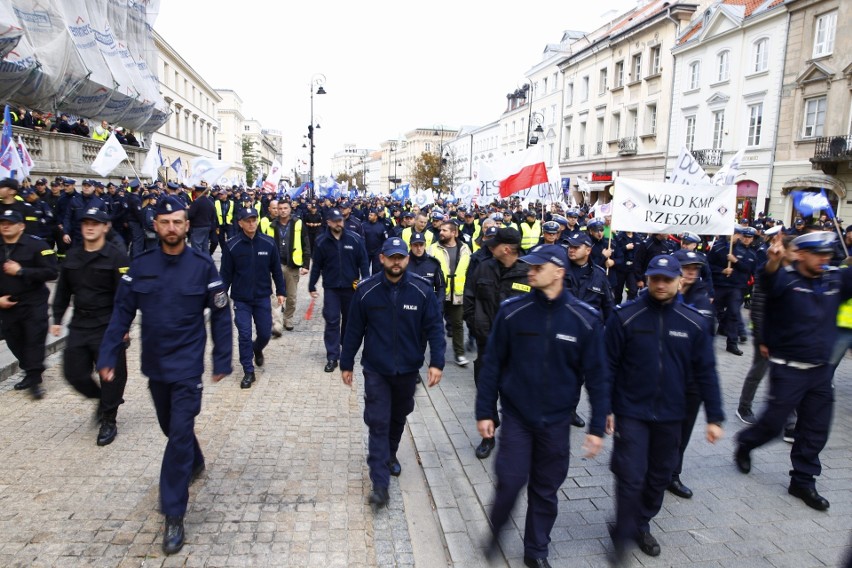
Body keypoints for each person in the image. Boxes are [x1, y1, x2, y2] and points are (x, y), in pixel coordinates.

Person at [97, 195, 233, 555]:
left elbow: (221, 314)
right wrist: (108, 354)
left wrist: (222, 358)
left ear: (187, 225)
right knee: (172, 429)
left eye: (178, 222)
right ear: (154, 225)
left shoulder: (203, 267)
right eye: (164, 222)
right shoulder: (140, 266)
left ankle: (174, 513)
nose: (171, 228)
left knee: (178, 436)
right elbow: (120, 314)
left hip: (188, 369)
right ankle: (196, 459)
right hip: (156, 368)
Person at [477, 244, 609, 568]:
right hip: (518, 417)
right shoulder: (512, 311)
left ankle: (536, 550)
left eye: (538, 267)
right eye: (529, 267)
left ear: (559, 272)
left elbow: (598, 377)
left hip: (556, 421)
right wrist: (485, 411)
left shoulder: (584, 318)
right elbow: (492, 363)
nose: (530, 271)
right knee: (509, 480)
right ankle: (496, 529)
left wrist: (595, 428)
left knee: (545, 489)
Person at [606, 255, 724, 561]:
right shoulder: (625, 316)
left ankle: (639, 522)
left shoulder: (694, 322)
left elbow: (706, 371)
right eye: (655, 278)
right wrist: (604, 407)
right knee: (631, 475)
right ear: (646, 279)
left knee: (659, 476)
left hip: (672, 413)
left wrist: (715, 416)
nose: (660, 284)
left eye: (667, 279)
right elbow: (606, 364)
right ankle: (623, 530)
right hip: (632, 411)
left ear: (679, 281)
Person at [735, 231, 852, 512]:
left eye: (828, 254)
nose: (825, 259)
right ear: (800, 254)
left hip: (821, 372)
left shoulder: (834, 279)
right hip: (788, 369)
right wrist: (774, 262)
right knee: (773, 424)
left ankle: (803, 480)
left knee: (815, 429)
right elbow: (768, 280)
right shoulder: (785, 279)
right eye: (818, 254)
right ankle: (746, 443)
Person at [340, 237, 445, 508]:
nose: (396, 262)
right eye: (392, 257)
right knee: (378, 422)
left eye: (401, 257)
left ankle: (390, 454)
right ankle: (380, 484)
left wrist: (437, 362)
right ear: (382, 259)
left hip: (408, 368)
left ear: (407, 259)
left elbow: (435, 327)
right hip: (376, 369)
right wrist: (346, 362)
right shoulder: (366, 291)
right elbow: (353, 329)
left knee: (399, 415)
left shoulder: (422, 291)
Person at [51, 208, 130, 445]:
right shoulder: (72, 257)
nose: (90, 227)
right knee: (73, 373)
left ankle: (109, 418)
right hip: (80, 323)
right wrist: (56, 318)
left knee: (112, 377)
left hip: (108, 324)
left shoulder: (117, 258)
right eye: (86, 223)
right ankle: (102, 398)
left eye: (95, 223)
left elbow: (125, 297)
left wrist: (124, 326)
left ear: (106, 227)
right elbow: (63, 291)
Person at [463, 227, 529, 460]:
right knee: (486, 390)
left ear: (507, 248)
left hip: (517, 350)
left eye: (495, 244)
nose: (491, 247)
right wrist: (475, 324)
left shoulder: (528, 272)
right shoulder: (483, 267)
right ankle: (488, 436)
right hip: (487, 345)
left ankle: (515, 437)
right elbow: (469, 297)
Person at [666, 249, 715, 500]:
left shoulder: (703, 296)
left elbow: (708, 333)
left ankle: (673, 474)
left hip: (692, 379)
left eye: (695, 267)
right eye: (687, 267)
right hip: (666, 377)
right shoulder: (662, 292)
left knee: (683, 430)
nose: (692, 271)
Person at [220, 208, 285, 388]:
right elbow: (225, 274)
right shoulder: (231, 245)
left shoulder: (268, 243)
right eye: (247, 220)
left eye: (254, 219)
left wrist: (281, 291)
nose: (251, 223)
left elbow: (276, 270)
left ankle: (257, 349)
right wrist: (221, 295)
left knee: (265, 333)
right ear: (240, 223)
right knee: (244, 334)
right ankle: (248, 371)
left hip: (262, 297)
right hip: (241, 299)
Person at [0, 209, 58, 399]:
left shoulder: (36, 245)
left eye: (10, 222)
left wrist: (21, 271)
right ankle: (32, 369)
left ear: (21, 226)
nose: (5, 226)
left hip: (33, 302)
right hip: (7, 304)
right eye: (3, 222)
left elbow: (51, 272)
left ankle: (33, 378)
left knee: (34, 339)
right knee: (14, 340)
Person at [308, 208, 370, 372]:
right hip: (331, 288)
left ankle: (345, 347)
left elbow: (363, 261)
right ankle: (332, 356)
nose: (338, 223)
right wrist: (311, 284)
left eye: (340, 220)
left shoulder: (354, 239)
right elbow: (317, 266)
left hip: (351, 288)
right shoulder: (321, 241)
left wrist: (365, 280)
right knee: (332, 320)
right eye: (335, 221)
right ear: (328, 222)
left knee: (350, 321)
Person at [429, 220, 472, 367]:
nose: (441, 232)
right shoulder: (433, 248)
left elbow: (468, 271)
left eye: (445, 230)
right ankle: (437, 354)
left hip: (457, 293)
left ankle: (459, 354)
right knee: (437, 324)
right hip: (439, 293)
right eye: (440, 230)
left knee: (458, 324)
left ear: (454, 232)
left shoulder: (465, 248)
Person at [271, 200, 311, 333]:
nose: (282, 211)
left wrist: (306, 264)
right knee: (275, 294)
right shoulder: (272, 224)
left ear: (290, 209)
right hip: (275, 264)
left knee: (292, 296)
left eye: (285, 208)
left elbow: (305, 244)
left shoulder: (298, 223)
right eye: (280, 208)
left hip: (292, 265)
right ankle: (277, 323)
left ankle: (288, 318)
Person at [187, 185, 215, 254]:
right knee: (204, 247)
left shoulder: (196, 202)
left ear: (199, 192)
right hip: (207, 226)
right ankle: (206, 262)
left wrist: (188, 209)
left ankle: (198, 262)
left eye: (196, 192)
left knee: (197, 247)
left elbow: (190, 215)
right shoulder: (210, 203)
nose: (195, 193)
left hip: (197, 227)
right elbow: (213, 216)